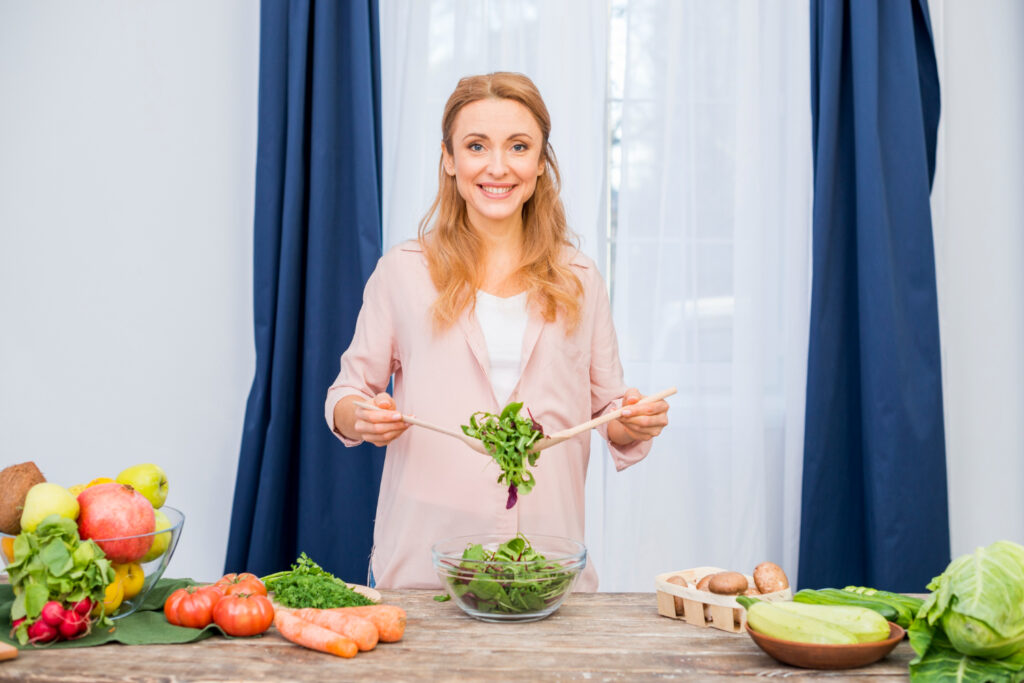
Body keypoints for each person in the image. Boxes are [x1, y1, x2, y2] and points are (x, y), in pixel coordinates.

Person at [325, 72, 669, 591]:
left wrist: (633, 421)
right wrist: (364, 417)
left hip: (547, 563)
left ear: (539, 163)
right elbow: (346, 396)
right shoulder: (402, 271)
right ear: (449, 158)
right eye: (477, 146)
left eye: (518, 146)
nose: (498, 166)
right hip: (425, 562)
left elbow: (608, 412)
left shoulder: (580, 278)